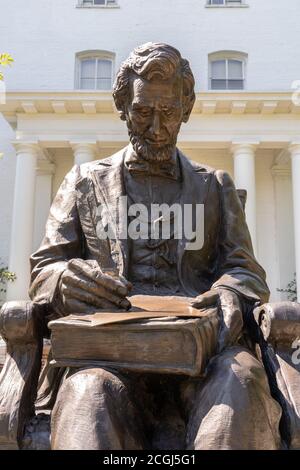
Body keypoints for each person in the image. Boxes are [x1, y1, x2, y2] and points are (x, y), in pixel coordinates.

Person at [29, 43, 282, 450]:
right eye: (143, 112)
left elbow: (246, 270)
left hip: (204, 357)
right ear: (123, 107)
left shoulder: (215, 186)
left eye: (168, 113)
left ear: (186, 108)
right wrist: (63, 280)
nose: (157, 128)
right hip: (108, 355)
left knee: (241, 382)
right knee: (87, 396)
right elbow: (45, 268)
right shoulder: (83, 182)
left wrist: (229, 291)